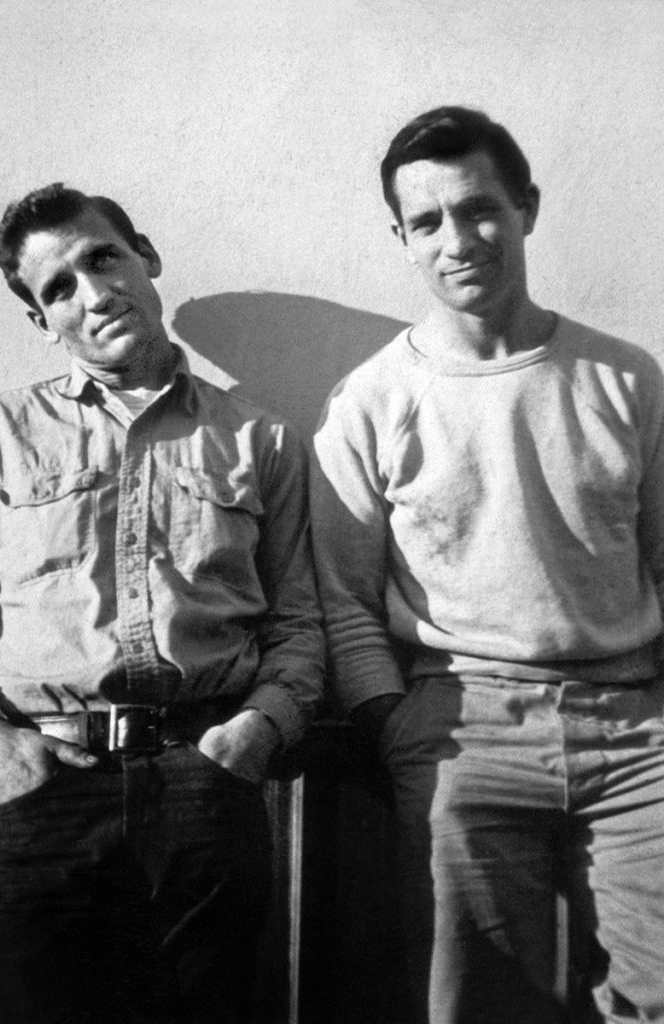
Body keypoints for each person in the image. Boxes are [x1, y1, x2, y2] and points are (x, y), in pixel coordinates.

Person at [0, 182, 324, 1024]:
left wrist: (255, 733)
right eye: (59, 287)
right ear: (41, 319)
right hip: (46, 788)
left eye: (103, 258)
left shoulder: (261, 439)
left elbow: (298, 624)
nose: (94, 293)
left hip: (206, 782)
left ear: (147, 257)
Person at [311, 106, 664, 1024]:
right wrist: (396, 723)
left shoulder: (626, 378)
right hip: (462, 730)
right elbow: (344, 599)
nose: (457, 241)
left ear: (525, 209)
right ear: (400, 237)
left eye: (479, 210)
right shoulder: (369, 401)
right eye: (426, 221)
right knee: (478, 1005)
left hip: (638, 733)